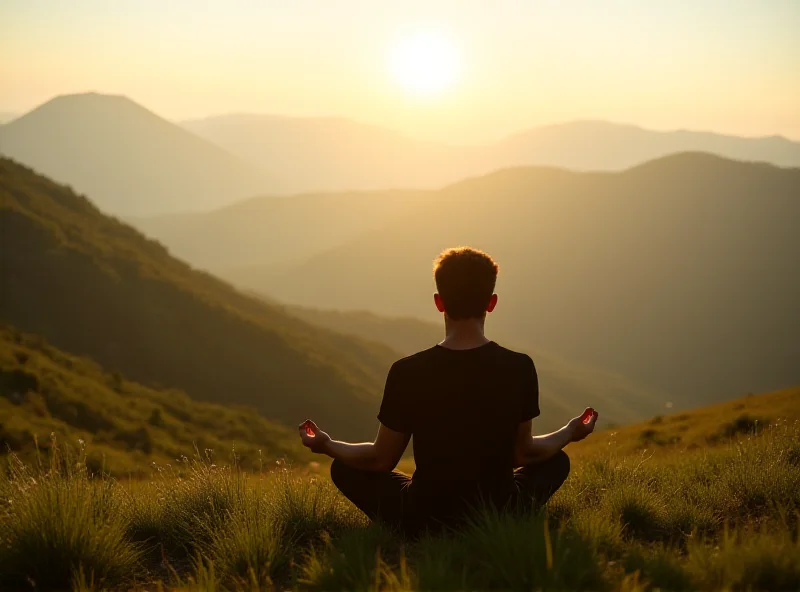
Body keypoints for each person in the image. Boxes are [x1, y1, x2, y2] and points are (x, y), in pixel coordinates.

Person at [298, 246, 598, 536]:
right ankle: (506, 519)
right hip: (500, 509)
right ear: (491, 302)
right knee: (556, 460)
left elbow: (380, 459)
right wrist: (569, 432)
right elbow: (523, 452)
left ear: (439, 302)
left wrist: (326, 444)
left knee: (344, 468)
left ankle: (415, 525)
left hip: (423, 516)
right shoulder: (519, 366)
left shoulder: (407, 371)